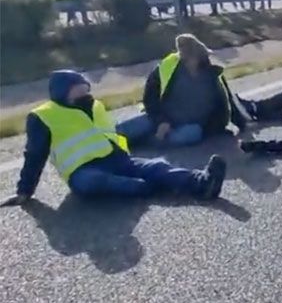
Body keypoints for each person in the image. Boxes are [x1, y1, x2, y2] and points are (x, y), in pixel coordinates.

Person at [3, 71, 226, 205]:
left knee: (157, 166)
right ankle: (147, 187)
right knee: (97, 182)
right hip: (82, 171)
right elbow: (34, 155)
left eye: (85, 88)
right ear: (62, 91)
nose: (85, 92)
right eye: (78, 89)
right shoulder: (43, 116)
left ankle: (202, 182)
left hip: (117, 159)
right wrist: (25, 191)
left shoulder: (96, 105)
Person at [117, 35, 245, 148]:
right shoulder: (168, 67)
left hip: (192, 125)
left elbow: (227, 100)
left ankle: (146, 141)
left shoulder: (212, 74)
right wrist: (161, 121)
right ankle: (113, 140)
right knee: (128, 128)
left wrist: (240, 123)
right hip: (162, 116)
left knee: (188, 135)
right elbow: (150, 98)